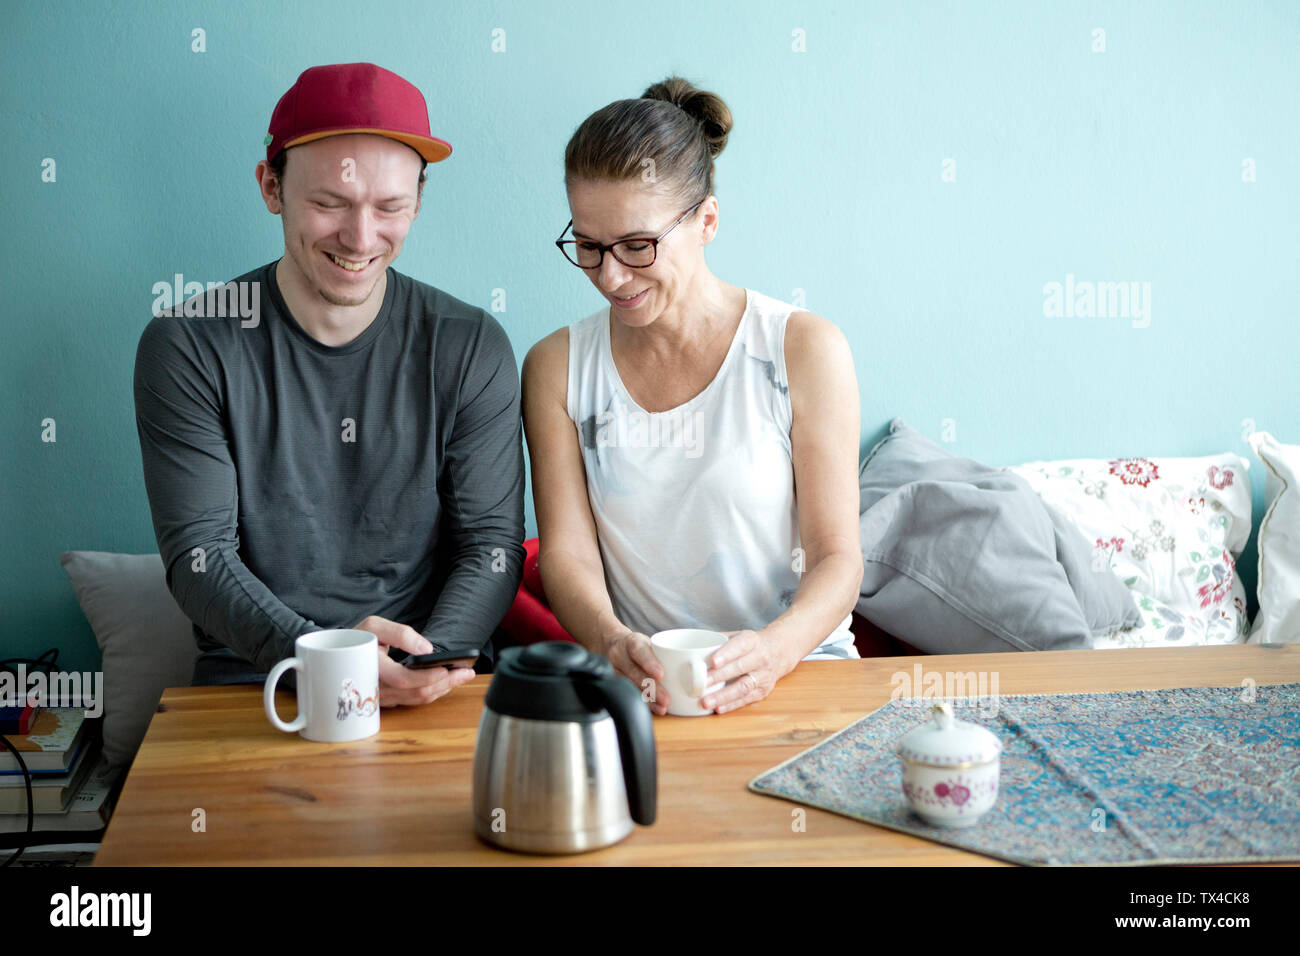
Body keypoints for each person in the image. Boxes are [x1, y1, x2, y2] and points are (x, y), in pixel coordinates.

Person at [133, 63, 525, 706]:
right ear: (271, 187)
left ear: (419, 200)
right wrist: (331, 660)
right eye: (328, 203)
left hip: (431, 676)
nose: (361, 238)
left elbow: (491, 547)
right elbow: (199, 556)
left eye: (390, 207)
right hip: (263, 686)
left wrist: (424, 657)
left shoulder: (469, 343)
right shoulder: (188, 344)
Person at [522, 77, 863, 716]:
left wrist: (773, 651)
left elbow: (838, 558)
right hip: (651, 692)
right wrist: (611, 641)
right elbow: (566, 554)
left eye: (637, 246)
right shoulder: (556, 367)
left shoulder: (804, 349)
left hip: (800, 675)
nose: (612, 277)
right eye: (589, 248)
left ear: (706, 220)